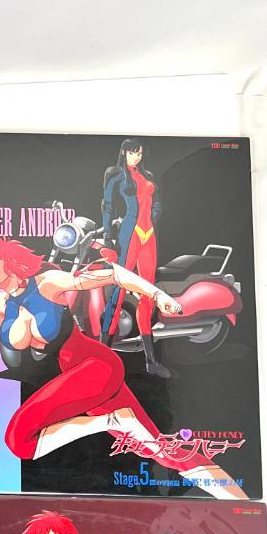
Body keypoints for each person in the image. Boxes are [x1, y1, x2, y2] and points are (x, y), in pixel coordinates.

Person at [0, 236, 245, 499]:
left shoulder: (48, 283)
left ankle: (110, 420)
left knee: (18, 439)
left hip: (96, 367)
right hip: (84, 382)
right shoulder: (0, 304)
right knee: (159, 451)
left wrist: (157, 295)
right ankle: (238, 498)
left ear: (9, 262)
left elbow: (112, 274)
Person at [101, 139, 168, 376]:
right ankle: (102, 357)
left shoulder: (147, 175)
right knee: (118, 292)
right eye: (132, 152)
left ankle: (151, 361)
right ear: (124, 152)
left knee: (148, 294)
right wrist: (107, 234)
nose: (136, 157)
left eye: (139, 153)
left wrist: (154, 218)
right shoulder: (115, 174)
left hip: (149, 236)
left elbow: (157, 203)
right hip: (129, 234)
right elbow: (108, 205)